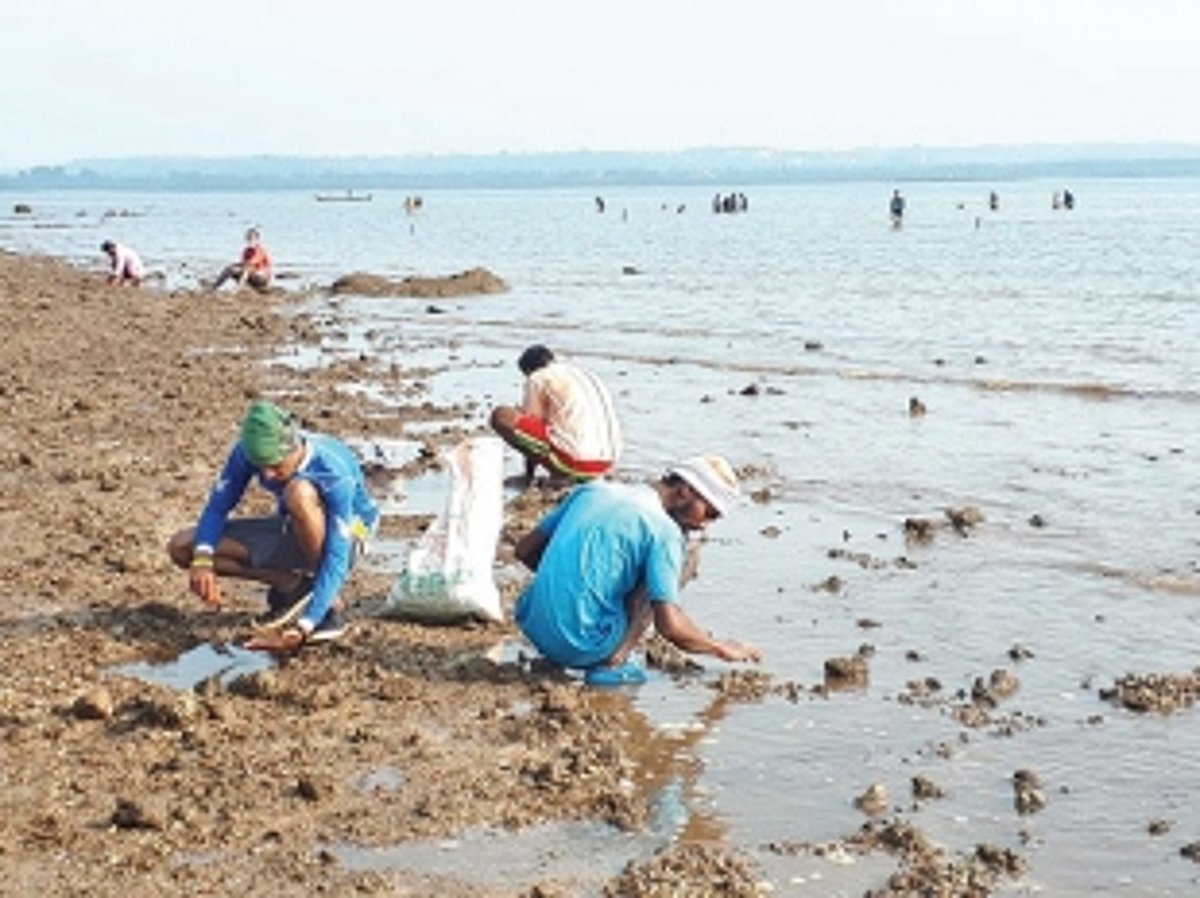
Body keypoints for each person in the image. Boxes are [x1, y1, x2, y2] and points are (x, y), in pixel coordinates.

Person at [513, 454, 762, 685]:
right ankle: (613, 662)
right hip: (584, 646)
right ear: (685, 491)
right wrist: (720, 648)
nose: (704, 525)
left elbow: (524, 550)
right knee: (688, 558)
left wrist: (572, 586)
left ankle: (563, 627)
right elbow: (670, 626)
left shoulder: (592, 490)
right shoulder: (664, 532)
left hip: (532, 624)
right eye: (709, 513)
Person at [167, 399, 379, 649]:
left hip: (354, 530)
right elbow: (217, 508)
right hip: (295, 522)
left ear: (293, 449)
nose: (267, 475)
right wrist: (202, 561)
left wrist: (305, 626)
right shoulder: (247, 452)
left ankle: (327, 606)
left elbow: (337, 550)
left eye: (275, 466)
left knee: (298, 492)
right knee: (183, 547)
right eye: (261, 466)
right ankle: (292, 586)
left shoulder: (332, 468)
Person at [490, 345, 622, 486]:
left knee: (502, 416)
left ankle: (560, 475)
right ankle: (566, 471)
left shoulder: (538, 377)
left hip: (580, 463)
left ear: (528, 370)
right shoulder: (586, 374)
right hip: (609, 464)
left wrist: (528, 475)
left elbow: (532, 423)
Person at [211, 227, 273, 292]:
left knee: (247, 269)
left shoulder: (260, 250)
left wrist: (240, 267)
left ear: (257, 239)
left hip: (262, 278)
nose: (250, 241)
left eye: (252, 239)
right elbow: (242, 263)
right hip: (250, 275)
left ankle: (238, 288)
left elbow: (249, 264)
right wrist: (232, 266)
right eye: (248, 238)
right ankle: (214, 286)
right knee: (230, 268)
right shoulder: (246, 250)